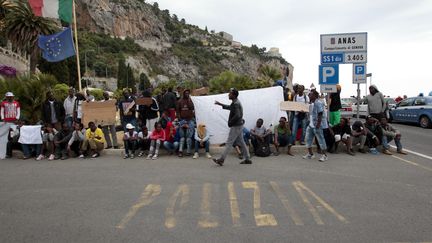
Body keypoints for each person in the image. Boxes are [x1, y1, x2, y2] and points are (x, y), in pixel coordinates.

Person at [213, 88, 251, 165]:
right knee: (242, 142)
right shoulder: (235, 102)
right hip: (239, 125)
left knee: (229, 143)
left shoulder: (236, 103)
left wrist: (230, 122)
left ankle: (221, 159)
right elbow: (231, 108)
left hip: (236, 126)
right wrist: (221, 104)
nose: (228, 95)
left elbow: (238, 115)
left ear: (233, 95)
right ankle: (247, 158)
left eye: (230, 93)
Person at [303, 90, 328, 162]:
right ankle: (310, 154)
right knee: (308, 139)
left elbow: (320, 113)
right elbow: (310, 114)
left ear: (314, 95)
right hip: (311, 124)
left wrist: (318, 124)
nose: (309, 95)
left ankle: (324, 155)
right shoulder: (311, 103)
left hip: (317, 125)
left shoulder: (318, 103)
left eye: (310, 94)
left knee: (321, 140)